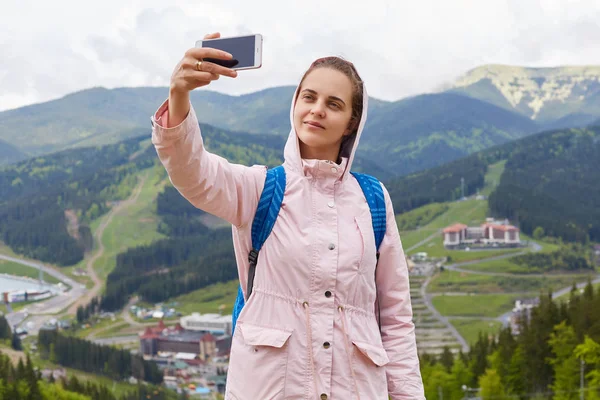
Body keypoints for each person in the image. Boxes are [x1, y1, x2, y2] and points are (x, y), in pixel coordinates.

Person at [151, 32, 425, 400]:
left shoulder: (373, 200)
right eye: (309, 97)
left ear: (350, 123)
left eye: (334, 103)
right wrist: (179, 95)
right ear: (295, 103)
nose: (317, 109)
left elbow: (396, 318)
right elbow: (193, 173)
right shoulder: (260, 188)